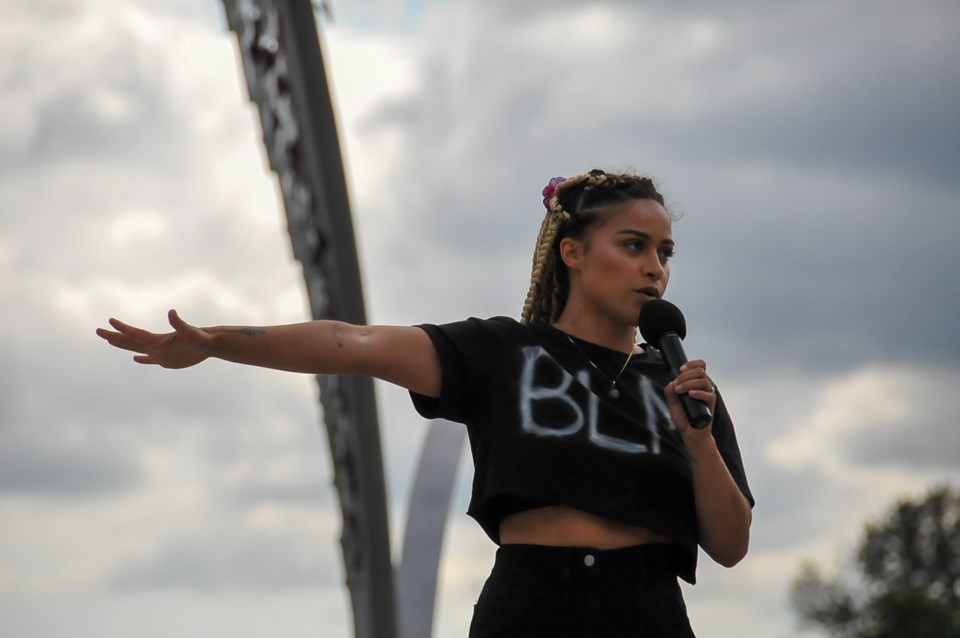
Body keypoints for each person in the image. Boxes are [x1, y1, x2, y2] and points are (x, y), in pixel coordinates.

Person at [97, 169, 754, 637]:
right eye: (633, 246)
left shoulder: (682, 388)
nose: (654, 268)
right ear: (573, 253)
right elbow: (351, 341)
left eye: (664, 253)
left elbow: (729, 545)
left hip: (645, 610)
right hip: (530, 604)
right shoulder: (500, 352)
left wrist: (697, 441)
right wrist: (217, 341)